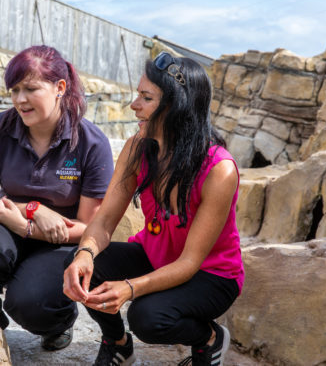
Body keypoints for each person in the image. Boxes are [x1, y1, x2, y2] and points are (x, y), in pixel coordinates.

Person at [63, 52, 244, 366]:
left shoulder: (219, 169)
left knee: (147, 317)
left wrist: (131, 288)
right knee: (82, 264)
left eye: (145, 98)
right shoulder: (137, 148)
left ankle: (210, 339)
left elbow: (189, 262)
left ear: (177, 107)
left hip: (210, 275)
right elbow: (104, 220)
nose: (134, 105)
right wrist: (84, 254)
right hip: (155, 254)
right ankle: (118, 344)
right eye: (138, 95)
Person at [0, 45, 114, 351]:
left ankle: (58, 321)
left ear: (59, 88)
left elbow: (90, 227)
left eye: (30, 89)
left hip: (61, 242)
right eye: (14, 90)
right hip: (6, 224)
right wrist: (33, 210)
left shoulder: (91, 143)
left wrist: (28, 228)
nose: (19, 100)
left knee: (30, 304)